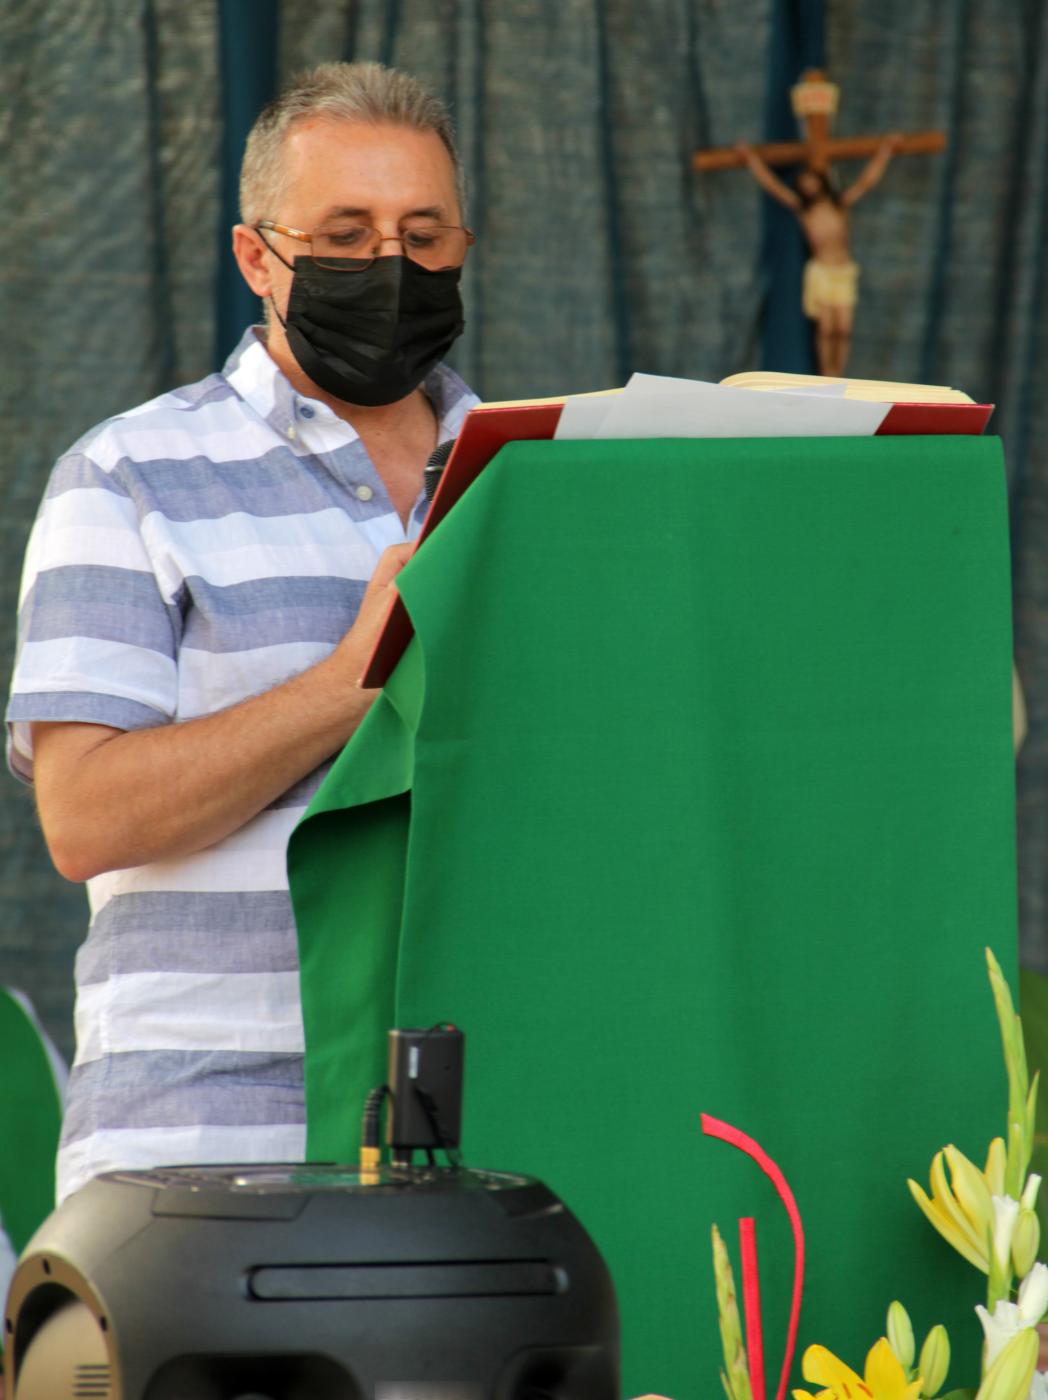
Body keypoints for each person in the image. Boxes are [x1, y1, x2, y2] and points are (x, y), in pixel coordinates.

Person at [5, 61, 480, 1203]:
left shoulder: (529, 477)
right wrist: (355, 680)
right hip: (207, 1144)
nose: (390, 266)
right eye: (345, 234)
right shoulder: (129, 475)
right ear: (256, 258)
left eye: (422, 235)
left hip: (485, 1140)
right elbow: (86, 817)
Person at [736, 136, 903, 376]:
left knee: (843, 329)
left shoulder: (839, 205)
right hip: (822, 271)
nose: (809, 186)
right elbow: (773, 186)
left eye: (811, 180)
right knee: (826, 330)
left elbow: (866, 182)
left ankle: (839, 372)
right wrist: (752, 160)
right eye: (804, 183)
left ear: (820, 181)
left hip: (842, 270)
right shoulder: (804, 210)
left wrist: (885, 151)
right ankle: (827, 373)